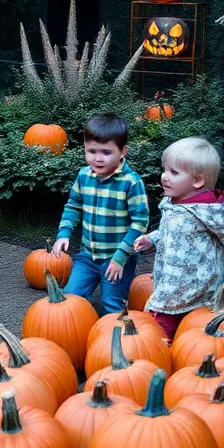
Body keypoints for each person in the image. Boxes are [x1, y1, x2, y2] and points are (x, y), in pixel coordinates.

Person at [133, 137, 224, 342]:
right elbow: (172, 230)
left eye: (174, 172)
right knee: (164, 335)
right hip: (172, 283)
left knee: (182, 335)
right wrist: (151, 239)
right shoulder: (173, 203)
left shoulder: (207, 212)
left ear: (197, 181)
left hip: (200, 288)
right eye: (165, 169)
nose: (165, 176)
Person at [50, 113, 149, 314]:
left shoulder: (130, 182)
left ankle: (111, 341)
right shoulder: (84, 175)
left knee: (112, 306)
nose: (98, 158)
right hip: (87, 256)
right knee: (69, 301)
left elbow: (140, 222)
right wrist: (64, 234)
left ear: (122, 151)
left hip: (117, 258)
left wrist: (121, 256)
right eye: (91, 151)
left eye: (106, 152)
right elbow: (73, 205)